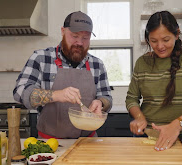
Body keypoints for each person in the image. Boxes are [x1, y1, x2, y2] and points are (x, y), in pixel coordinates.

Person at [13, 11, 112, 139]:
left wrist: (101, 102)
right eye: (75, 36)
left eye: (85, 38)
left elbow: (107, 97)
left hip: (87, 142)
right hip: (50, 144)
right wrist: (55, 95)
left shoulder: (97, 64)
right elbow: (19, 92)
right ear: (63, 31)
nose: (80, 43)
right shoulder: (41, 58)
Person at [125, 11, 182, 151]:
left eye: (166, 40)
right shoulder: (142, 63)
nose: (160, 46)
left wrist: (176, 126)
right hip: (148, 137)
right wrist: (139, 117)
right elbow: (131, 99)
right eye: (153, 41)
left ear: (177, 34)